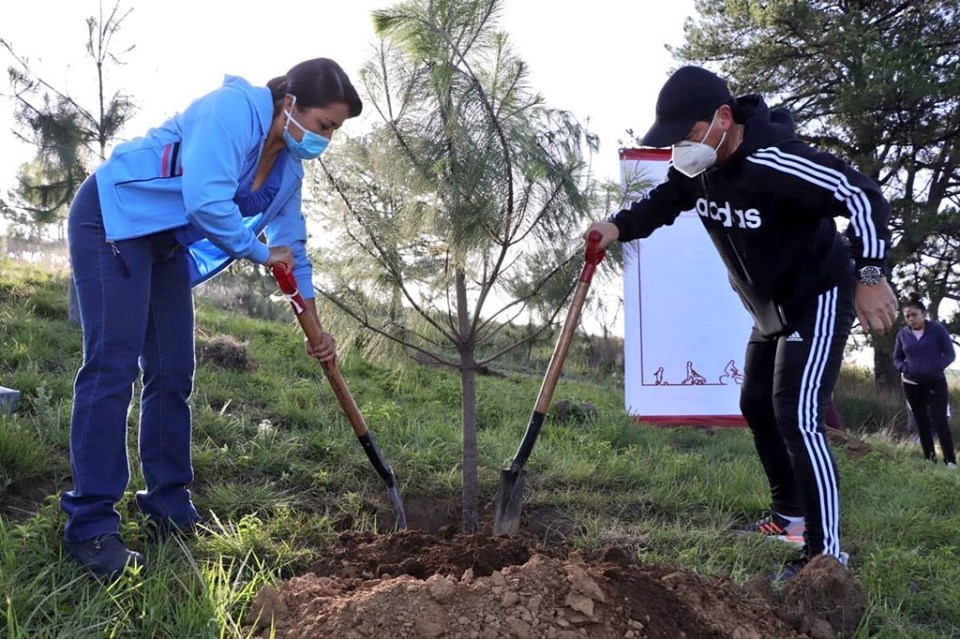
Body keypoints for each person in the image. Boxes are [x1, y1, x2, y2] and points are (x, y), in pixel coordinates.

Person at [584, 66, 898, 581]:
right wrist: (616, 226)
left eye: (688, 135)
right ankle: (788, 517)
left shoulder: (780, 163)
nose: (681, 150)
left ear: (723, 119)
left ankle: (826, 556)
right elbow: (662, 203)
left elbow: (862, 194)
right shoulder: (698, 169)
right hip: (766, 309)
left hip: (815, 297)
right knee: (755, 403)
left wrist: (870, 273)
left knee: (797, 415)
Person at [62, 58, 362, 579]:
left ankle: (167, 503)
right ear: (290, 104)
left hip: (163, 243)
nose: (326, 140)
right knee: (112, 368)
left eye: (334, 131)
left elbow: (293, 250)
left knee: (174, 370)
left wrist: (316, 330)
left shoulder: (290, 168)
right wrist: (257, 251)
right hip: (112, 217)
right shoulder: (232, 111)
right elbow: (204, 201)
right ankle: (90, 526)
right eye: (325, 126)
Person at [893, 293, 957, 466]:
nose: (911, 319)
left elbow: (950, 354)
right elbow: (897, 358)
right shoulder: (902, 334)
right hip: (911, 384)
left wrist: (934, 367)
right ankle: (930, 459)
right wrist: (905, 369)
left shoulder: (937, 330)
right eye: (907, 316)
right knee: (921, 421)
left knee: (939, 421)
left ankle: (950, 461)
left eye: (914, 315)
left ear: (924, 314)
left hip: (935, 382)